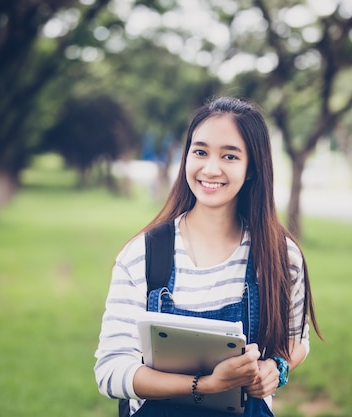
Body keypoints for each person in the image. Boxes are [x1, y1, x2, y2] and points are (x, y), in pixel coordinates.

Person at [94, 96, 321, 416]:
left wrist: (276, 369)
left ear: (253, 167)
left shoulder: (282, 256)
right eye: (200, 152)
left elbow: (297, 340)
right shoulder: (142, 255)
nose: (210, 168)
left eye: (229, 156)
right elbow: (110, 371)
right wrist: (204, 386)